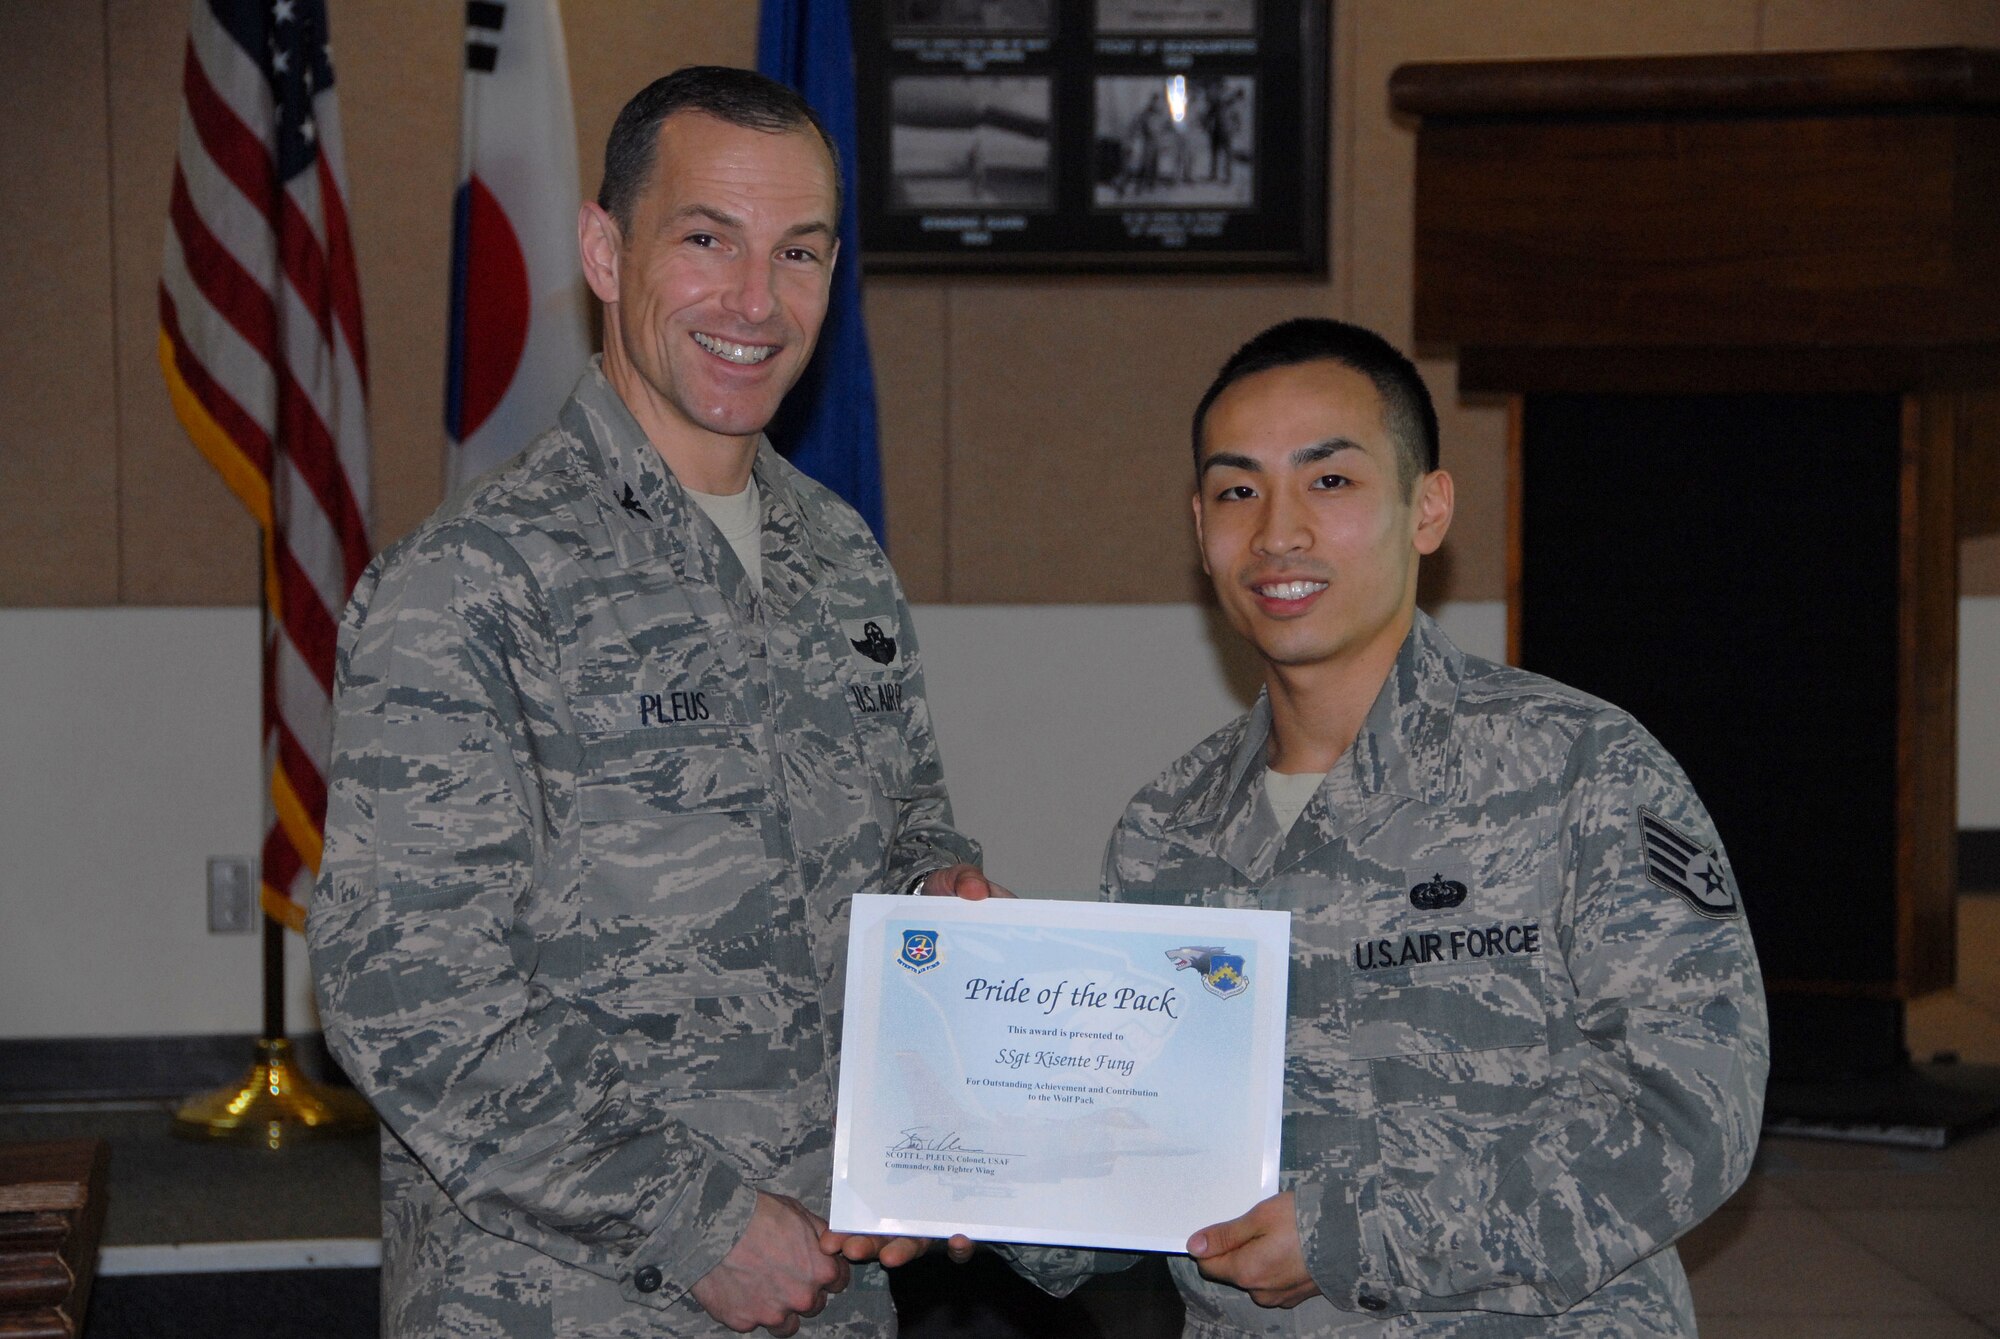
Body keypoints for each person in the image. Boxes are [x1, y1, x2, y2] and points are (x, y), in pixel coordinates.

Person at [308, 66, 997, 1339]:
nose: (754, 300)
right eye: (705, 240)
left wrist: (951, 934)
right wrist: (691, 1222)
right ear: (603, 250)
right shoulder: (471, 583)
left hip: (830, 1294)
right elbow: (401, 988)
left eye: (797, 252)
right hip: (564, 1303)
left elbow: (908, 836)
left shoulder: (835, 554)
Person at [1021, 318, 1768, 1335]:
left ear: (1427, 508)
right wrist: (977, 1170)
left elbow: (1690, 1108)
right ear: (1199, 528)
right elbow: (1139, 1151)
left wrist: (1356, 1232)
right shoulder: (1166, 827)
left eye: (1328, 482)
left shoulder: (1578, 768)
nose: (1277, 530)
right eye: (1238, 490)